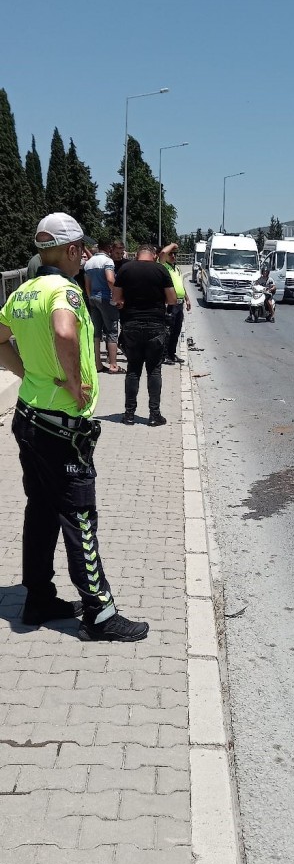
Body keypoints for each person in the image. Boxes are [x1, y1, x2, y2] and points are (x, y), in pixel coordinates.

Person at [0, 212, 148, 641]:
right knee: (79, 515)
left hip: (29, 418)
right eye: (82, 248)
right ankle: (100, 614)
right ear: (69, 250)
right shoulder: (64, 291)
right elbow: (65, 334)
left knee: (40, 510)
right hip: (62, 426)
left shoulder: (24, 292)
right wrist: (71, 380)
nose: (85, 255)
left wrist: (27, 371)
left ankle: (38, 598)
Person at [113, 243, 176, 426]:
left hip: (131, 324)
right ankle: (154, 415)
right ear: (154, 255)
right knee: (154, 370)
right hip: (156, 325)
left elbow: (116, 298)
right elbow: (172, 299)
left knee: (133, 370)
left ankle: (129, 415)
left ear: (137, 255)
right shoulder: (161, 270)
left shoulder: (125, 269)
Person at [84, 242, 120, 373]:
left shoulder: (89, 262)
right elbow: (110, 280)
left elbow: (87, 284)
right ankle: (113, 365)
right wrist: (117, 297)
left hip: (93, 298)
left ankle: (97, 364)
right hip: (106, 298)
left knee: (96, 332)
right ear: (109, 248)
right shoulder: (107, 261)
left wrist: (90, 297)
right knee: (111, 330)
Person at [157, 242, 191, 364]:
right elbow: (162, 254)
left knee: (177, 330)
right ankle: (164, 355)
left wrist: (187, 298)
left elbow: (180, 284)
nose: (173, 256)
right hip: (170, 303)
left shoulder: (176, 268)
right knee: (168, 330)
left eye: (175, 254)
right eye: (171, 254)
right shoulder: (162, 266)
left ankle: (172, 353)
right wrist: (172, 245)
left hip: (180, 303)